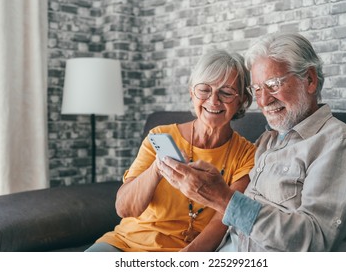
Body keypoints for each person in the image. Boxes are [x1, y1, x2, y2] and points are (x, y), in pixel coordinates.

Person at [158, 32, 346, 251]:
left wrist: (224, 198)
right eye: (258, 89)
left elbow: (314, 241)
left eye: (273, 85)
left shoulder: (337, 143)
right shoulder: (267, 141)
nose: (263, 101)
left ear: (309, 80)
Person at [85, 49, 256, 252]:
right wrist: (157, 169)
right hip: (124, 244)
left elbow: (224, 219)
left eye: (226, 92)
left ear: (242, 100)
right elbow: (124, 208)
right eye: (204, 89)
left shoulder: (247, 154)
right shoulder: (160, 136)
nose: (213, 100)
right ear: (192, 92)